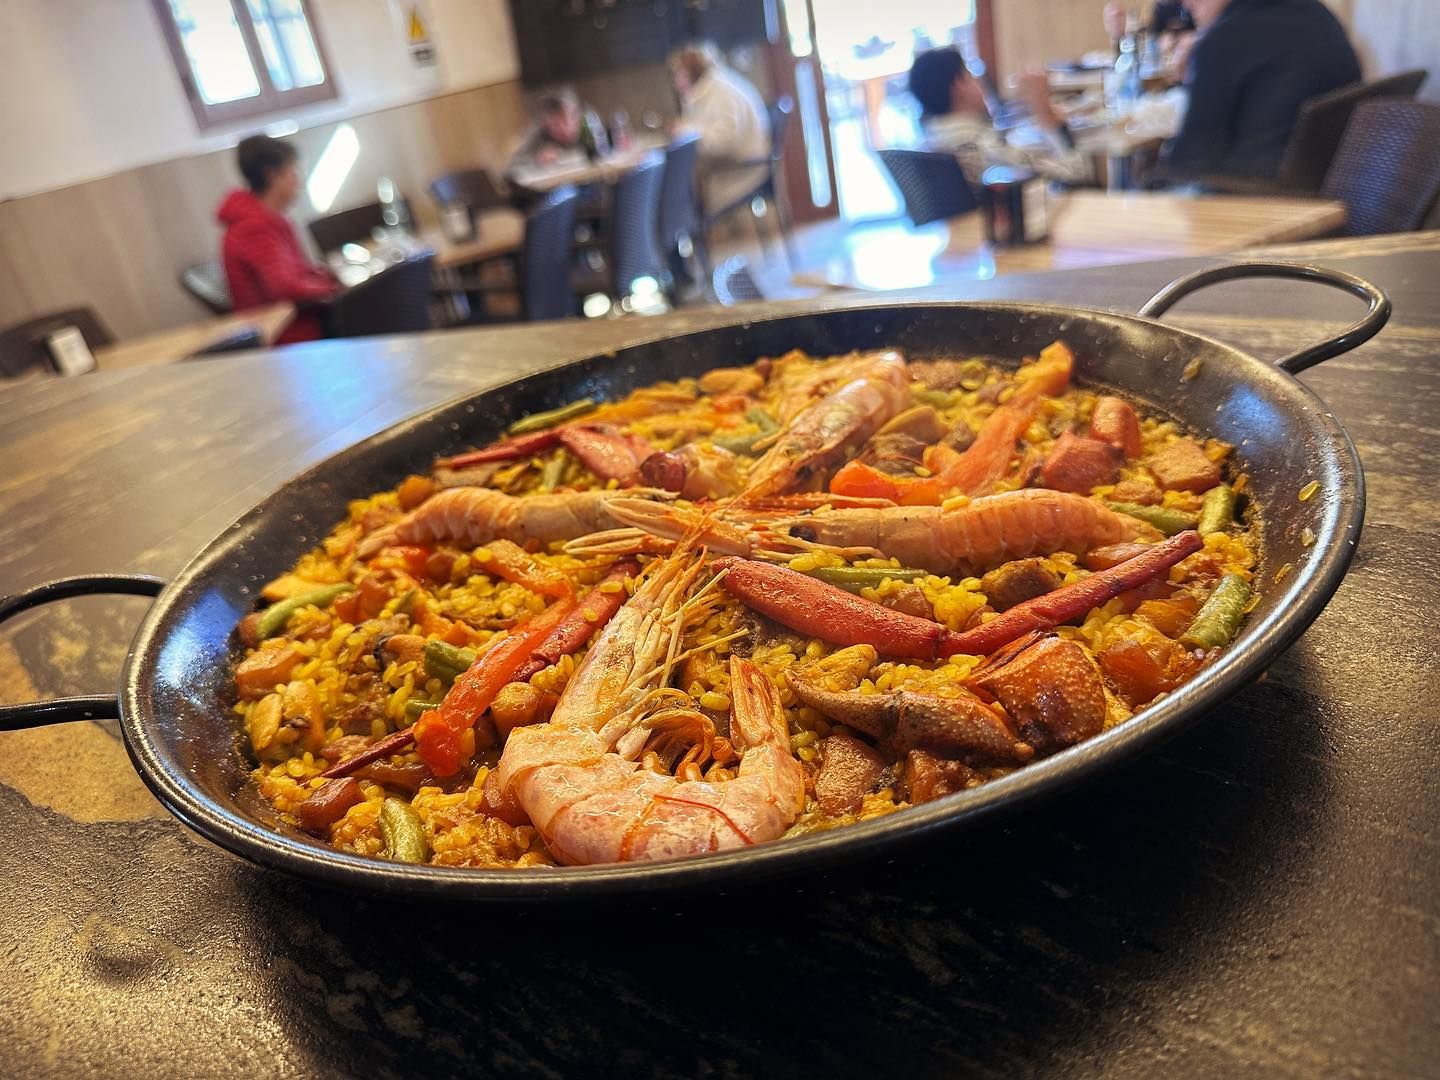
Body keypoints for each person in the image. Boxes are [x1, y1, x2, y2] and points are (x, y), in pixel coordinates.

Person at [1163, 0, 1360, 181]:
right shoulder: (1319, 16)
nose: (1185, 4)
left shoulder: (1224, 38)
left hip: (1252, 202)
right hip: (1331, 197)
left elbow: (1187, 164)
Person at [216, 135, 337, 346]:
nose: (298, 181)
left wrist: (324, 277)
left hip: (297, 321)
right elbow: (284, 287)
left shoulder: (266, 219)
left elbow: (297, 273)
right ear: (272, 175)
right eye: (293, 172)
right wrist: (332, 288)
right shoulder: (253, 226)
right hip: (285, 334)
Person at [908, 47, 1090, 186]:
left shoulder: (929, 143)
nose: (979, 83)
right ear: (959, 86)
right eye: (971, 76)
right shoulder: (981, 147)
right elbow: (1075, 173)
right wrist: (1044, 110)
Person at [670, 44, 771, 215]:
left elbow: (724, 141)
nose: (675, 82)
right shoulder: (713, 88)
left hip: (741, 169)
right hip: (737, 163)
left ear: (691, 73)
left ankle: (686, 232)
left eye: (678, 74)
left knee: (676, 184)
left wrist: (684, 131)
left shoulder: (722, 93)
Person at [508, 89, 609, 174]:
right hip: (559, 190)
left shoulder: (589, 120)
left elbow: (607, 148)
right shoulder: (536, 133)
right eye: (556, 125)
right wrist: (537, 160)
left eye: (571, 118)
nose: (566, 129)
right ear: (545, 124)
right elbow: (512, 168)